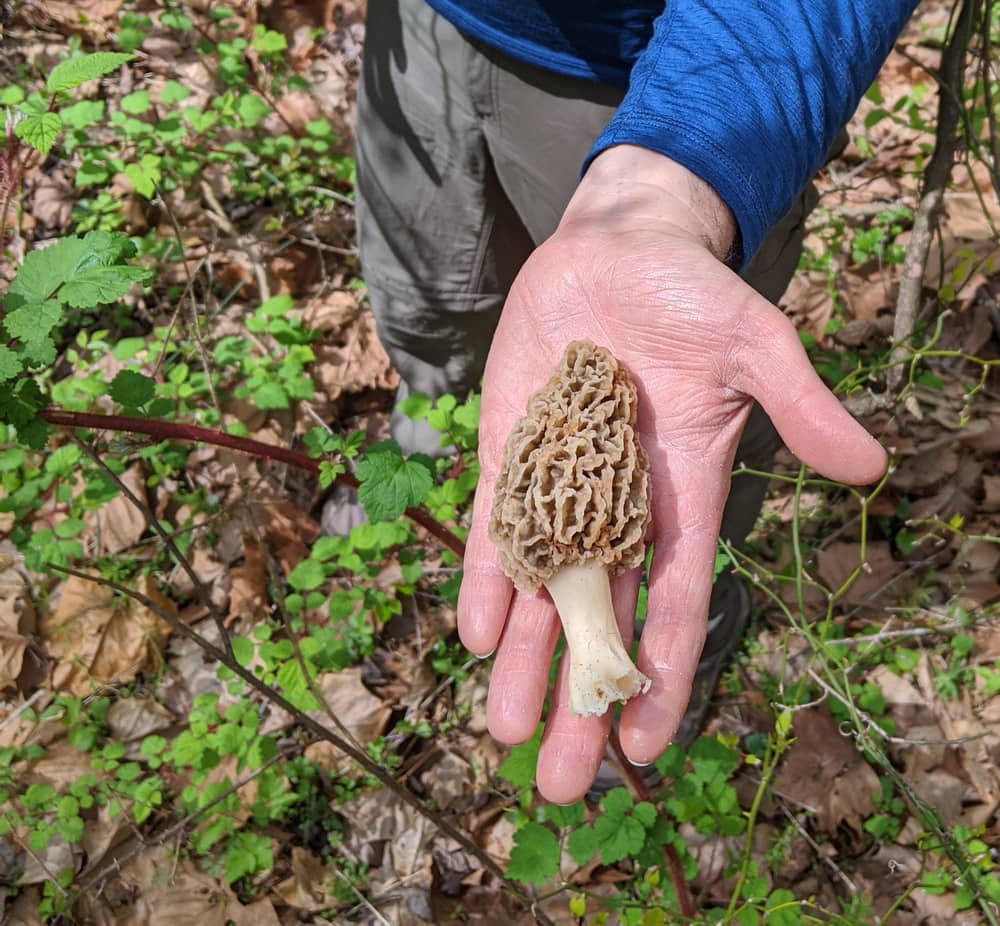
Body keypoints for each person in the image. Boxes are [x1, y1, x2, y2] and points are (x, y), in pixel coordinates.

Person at [349, 0, 915, 803]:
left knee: (709, 449)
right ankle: (424, 419)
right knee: (431, 306)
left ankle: (691, 621)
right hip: (428, 24)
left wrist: (681, 162)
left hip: (669, 63)